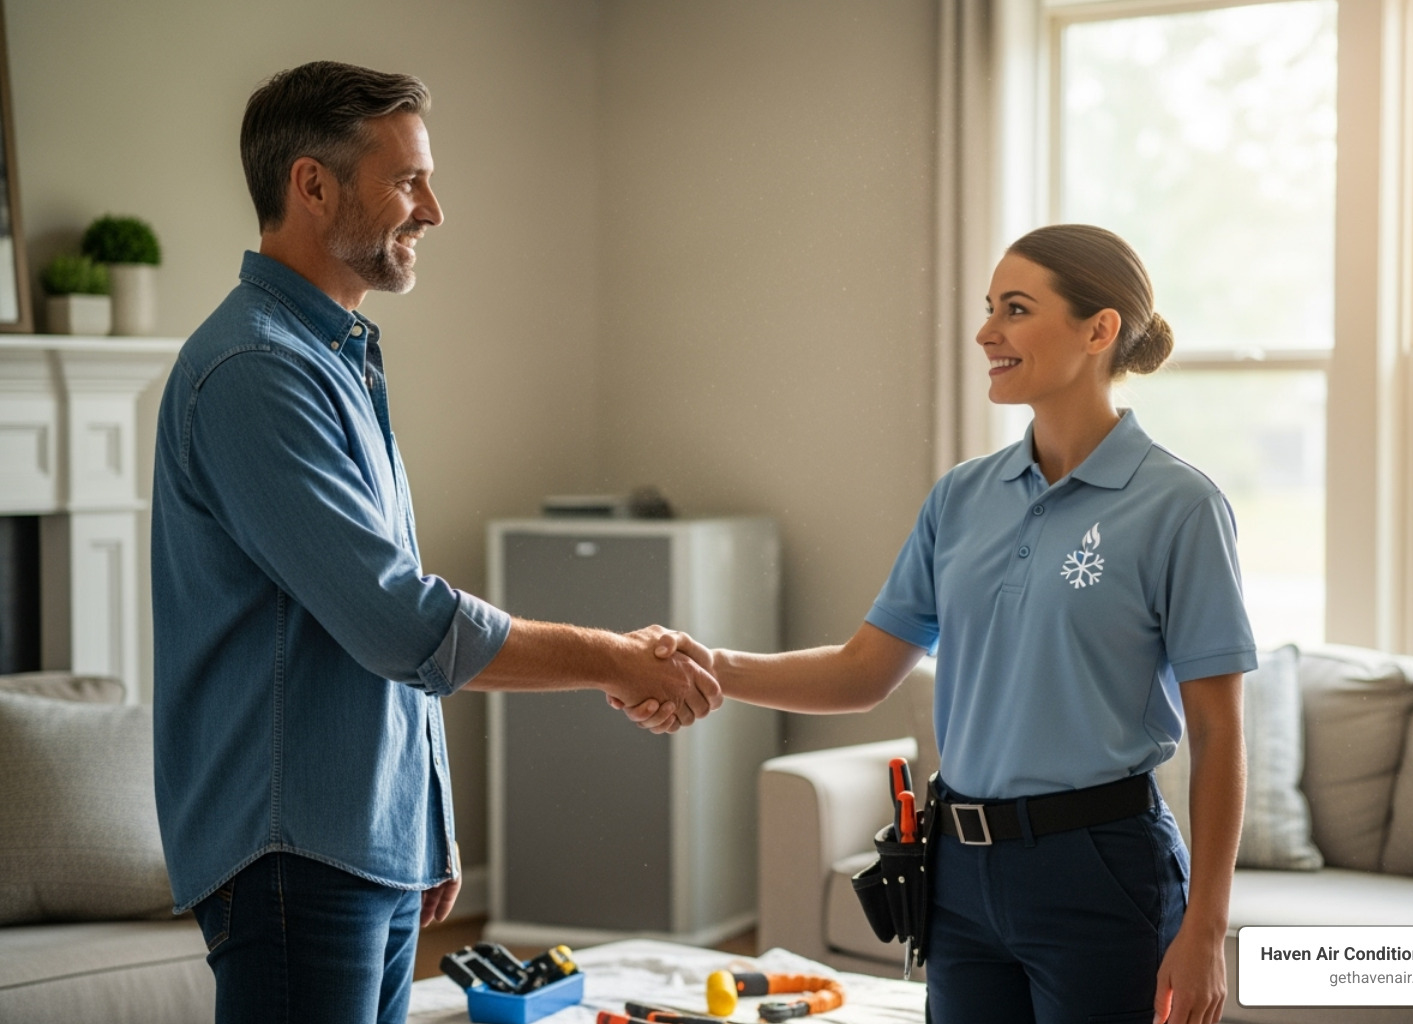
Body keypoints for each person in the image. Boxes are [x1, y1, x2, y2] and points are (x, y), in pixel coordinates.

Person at [151, 61, 717, 1024]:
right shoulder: (255, 372)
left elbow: (376, 620)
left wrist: (424, 827)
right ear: (313, 184)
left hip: (359, 845)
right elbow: (399, 622)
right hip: (293, 854)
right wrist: (613, 658)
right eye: (408, 180)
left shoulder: (332, 360)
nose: (435, 210)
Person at [637, 225, 1253, 1024]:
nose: (985, 332)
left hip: (1101, 864)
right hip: (960, 869)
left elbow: (1218, 729)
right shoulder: (962, 498)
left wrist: (1205, 925)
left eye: (1017, 309)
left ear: (1098, 330)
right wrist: (707, 662)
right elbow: (861, 671)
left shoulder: (1180, 506)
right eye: (990, 307)